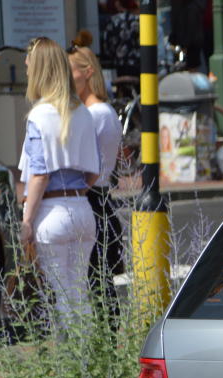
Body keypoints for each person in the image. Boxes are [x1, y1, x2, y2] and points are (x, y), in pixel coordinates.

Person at [18, 37, 101, 330]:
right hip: (81, 207)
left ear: (40, 70)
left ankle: (72, 369)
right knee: (79, 293)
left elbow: (38, 174)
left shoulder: (39, 115)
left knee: (60, 295)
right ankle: (89, 362)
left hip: (50, 211)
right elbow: (94, 172)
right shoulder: (82, 112)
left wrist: (27, 221)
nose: (26, 72)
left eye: (28, 66)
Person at [68, 40, 124, 313]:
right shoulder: (102, 112)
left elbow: (87, 167)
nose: (68, 78)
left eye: (71, 71)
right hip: (99, 200)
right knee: (99, 283)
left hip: (94, 200)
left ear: (88, 71)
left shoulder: (95, 114)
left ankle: (106, 344)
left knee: (98, 283)